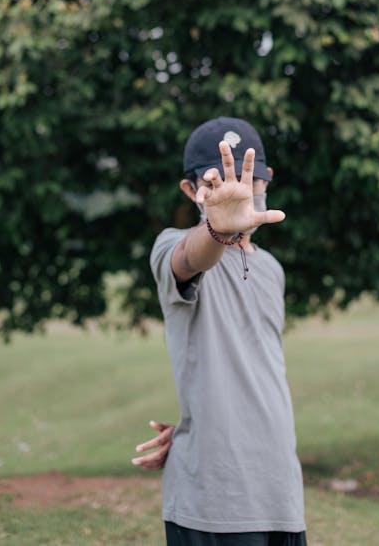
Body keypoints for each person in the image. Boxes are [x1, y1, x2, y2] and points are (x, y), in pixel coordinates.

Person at [132, 117, 306, 546]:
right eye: (216, 182)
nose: (237, 192)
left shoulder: (272, 269)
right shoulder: (173, 245)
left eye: (250, 179)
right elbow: (191, 259)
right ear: (192, 192)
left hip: (281, 495)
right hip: (216, 503)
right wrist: (216, 228)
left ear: (266, 179)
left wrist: (205, 420)